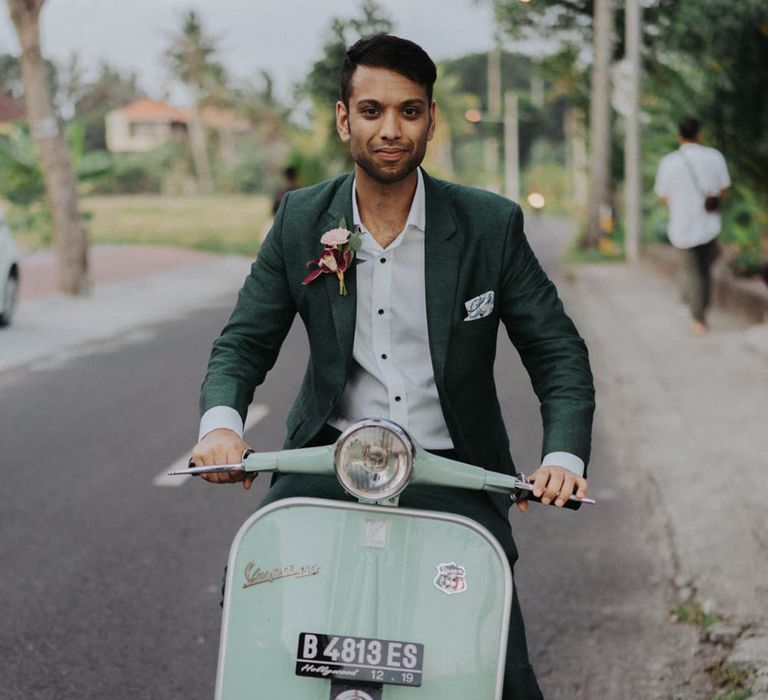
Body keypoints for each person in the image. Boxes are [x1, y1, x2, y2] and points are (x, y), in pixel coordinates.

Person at [191, 34, 595, 699]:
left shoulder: (488, 225)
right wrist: (221, 424)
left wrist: (564, 460)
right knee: (257, 605)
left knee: (497, 661)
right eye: (373, 110)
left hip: (453, 468)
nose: (391, 129)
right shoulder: (301, 220)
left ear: (431, 120)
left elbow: (557, 352)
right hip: (326, 463)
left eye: (409, 111)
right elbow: (243, 342)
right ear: (345, 119)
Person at [654, 116, 731, 333]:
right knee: (704, 270)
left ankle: (698, 318)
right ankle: (701, 311)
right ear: (699, 134)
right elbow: (723, 189)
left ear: (679, 135)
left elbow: (663, 195)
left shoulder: (669, 162)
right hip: (708, 225)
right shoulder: (715, 157)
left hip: (681, 226)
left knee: (692, 271)